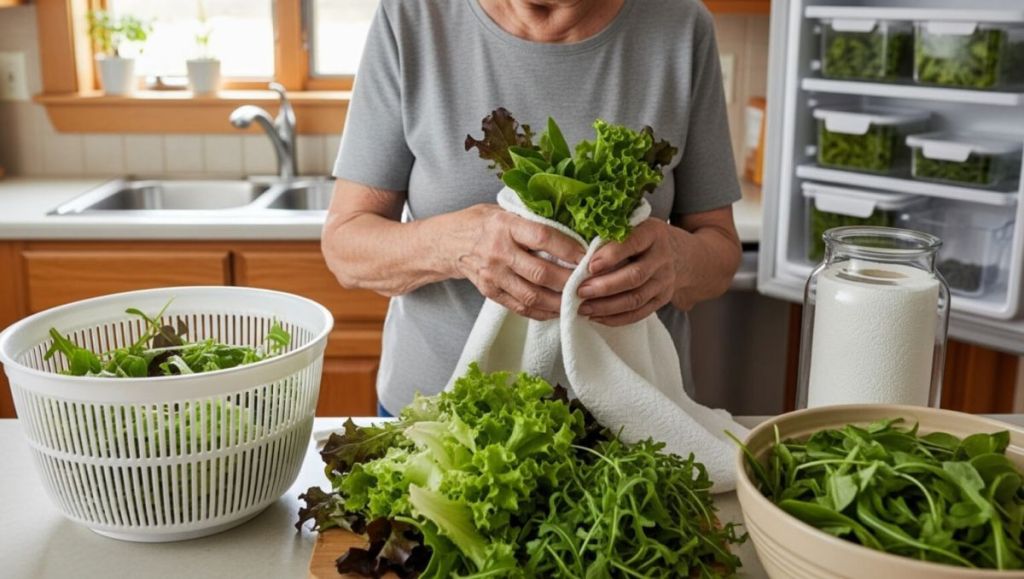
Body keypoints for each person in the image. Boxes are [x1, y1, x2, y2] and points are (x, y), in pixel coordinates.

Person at [322, 0, 743, 417]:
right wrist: (460, 245)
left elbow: (720, 252)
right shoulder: (412, 18)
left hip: (636, 423)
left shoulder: (682, 26)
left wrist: (675, 260)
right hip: (436, 419)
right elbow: (346, 245)